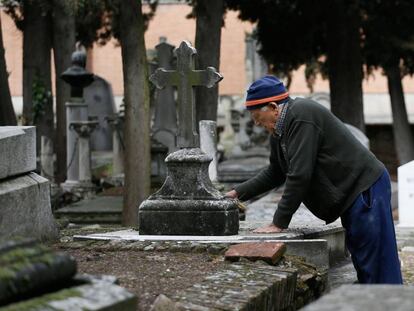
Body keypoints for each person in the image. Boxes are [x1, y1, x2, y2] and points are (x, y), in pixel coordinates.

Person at [226, 75, 403, 284]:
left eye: (257, 116)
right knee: (364, 258)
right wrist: (237, 193)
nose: (256, 123)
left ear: (273, 107)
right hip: (351, 193)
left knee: (376, 259)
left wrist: (278, 222)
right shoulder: (279, 131)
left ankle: (390, 303)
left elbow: (300, 174)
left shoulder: (301, 115)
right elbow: (275, 172)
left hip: (365, 187)